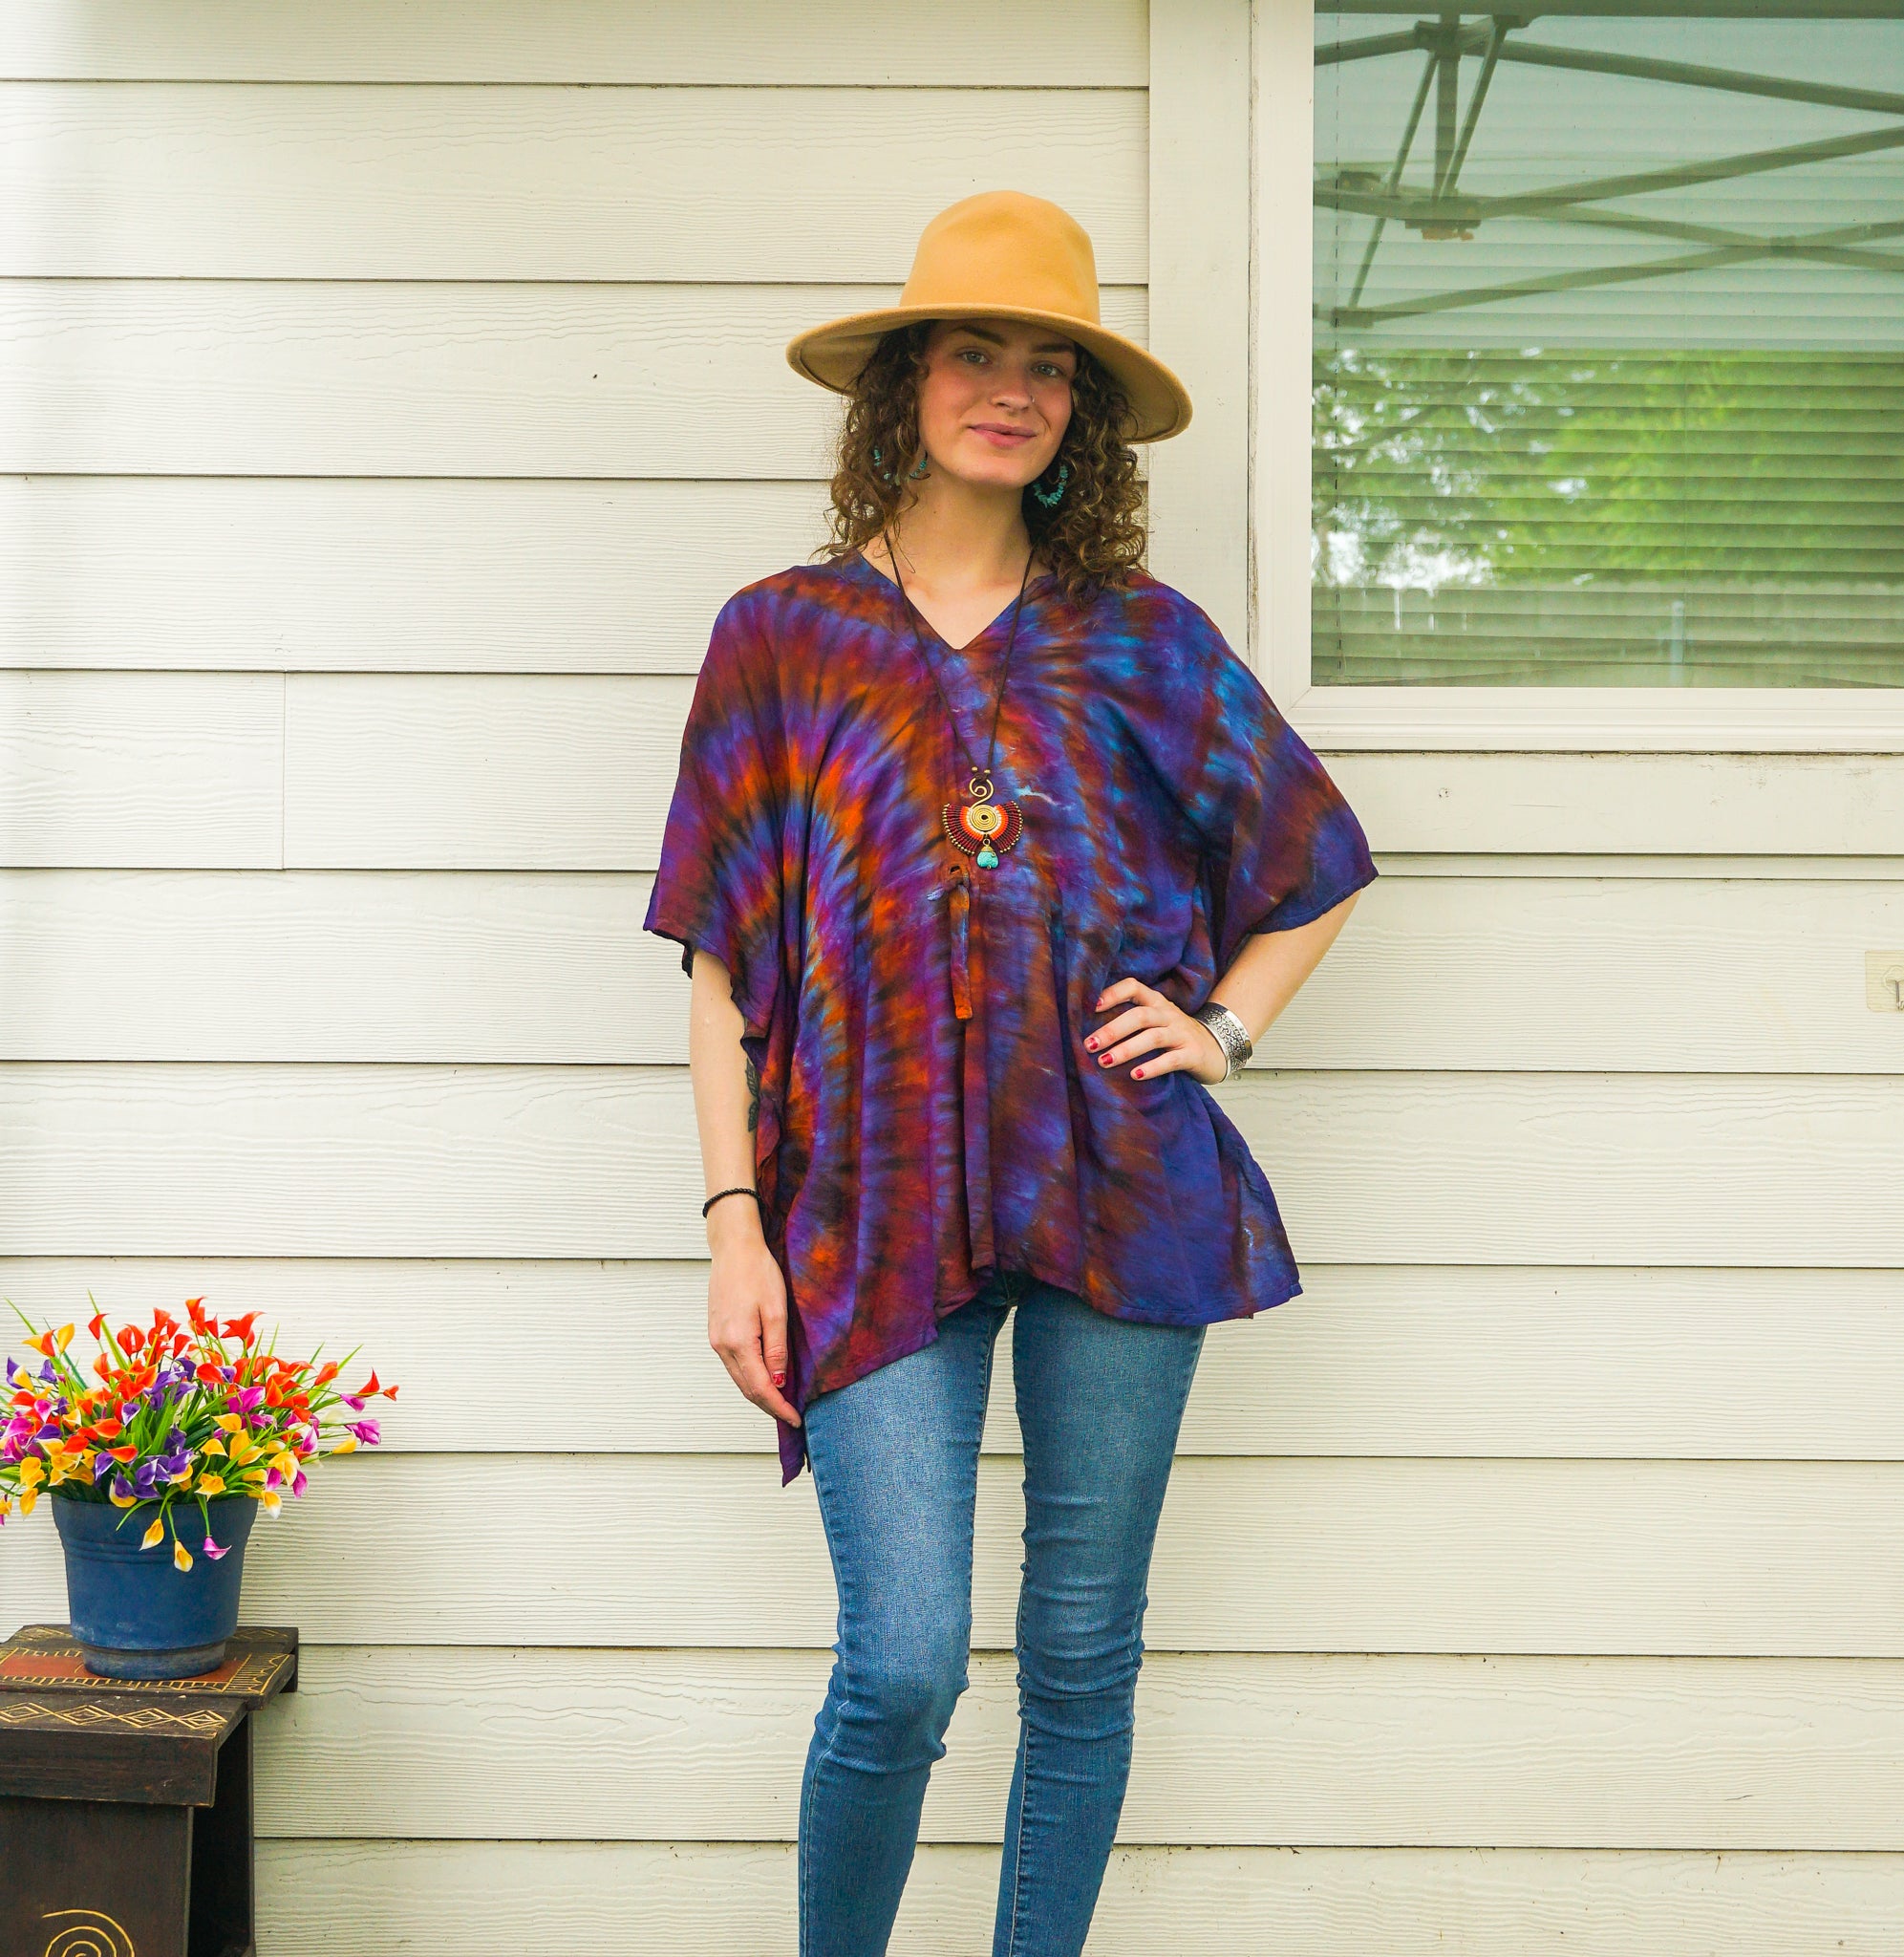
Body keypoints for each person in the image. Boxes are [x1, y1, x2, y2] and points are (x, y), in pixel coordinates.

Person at [644, 189, 1378, 1957]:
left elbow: (1315, 860)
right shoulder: (782, 638)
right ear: (903, 384)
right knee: (900, 1666)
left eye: (1050, 367)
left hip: (1115, 1188)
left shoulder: (1140, 637)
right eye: (975, 352)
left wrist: (1223, 1028)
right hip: (865, 1204)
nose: (1012, 390)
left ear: (1080, 416)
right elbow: (722, 960)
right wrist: (735, 1227)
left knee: (1079, 1655)